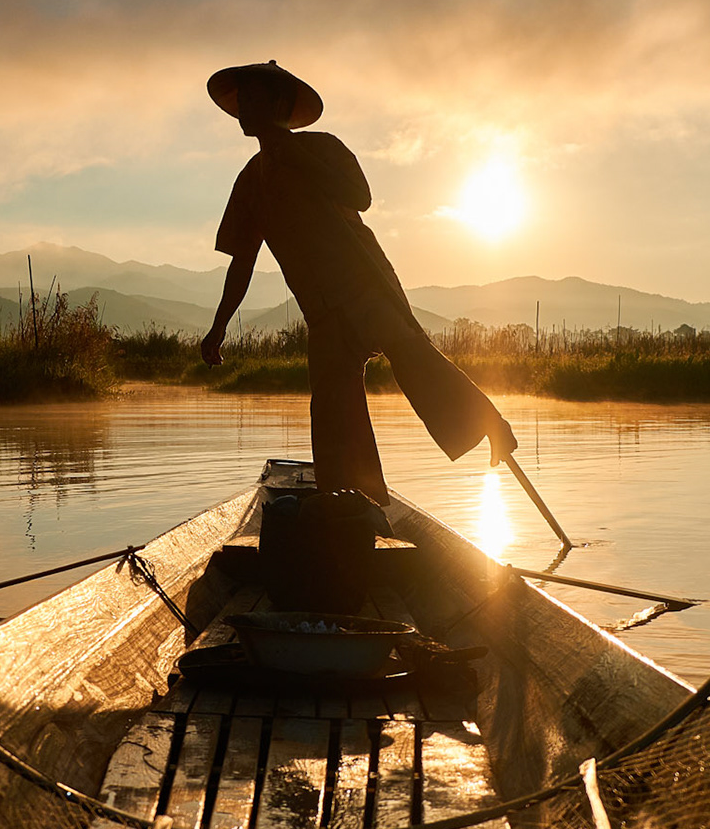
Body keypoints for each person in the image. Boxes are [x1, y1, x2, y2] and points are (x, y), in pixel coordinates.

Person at [200, 60, 517, 505]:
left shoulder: (322, 149)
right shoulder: (251, 182)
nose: (241, 109)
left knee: (412, 354)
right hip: (321, 310)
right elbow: (242, 263)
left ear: (274, 104)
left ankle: (492, 426)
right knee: (333, 411)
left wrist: (296, 156)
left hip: (364, 284)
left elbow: (360, 197)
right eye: (241, 101)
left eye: (250, 99)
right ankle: (358, 504)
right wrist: (218, 327)